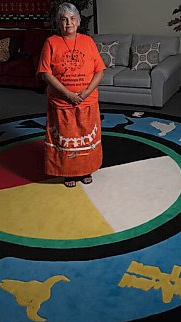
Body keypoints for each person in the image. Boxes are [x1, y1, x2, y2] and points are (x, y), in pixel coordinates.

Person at [37, 2, 105, 188]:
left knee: (85, 136)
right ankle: (67, 172)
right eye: (64, 19)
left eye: (72, 19)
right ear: (58, 23)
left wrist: (84, 93)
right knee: (66, 138)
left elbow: (99, 71)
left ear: (79, 21)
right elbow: (45, 73)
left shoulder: (88, 41)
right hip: (61, 102)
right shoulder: (51, 42)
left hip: (87, 100)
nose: (68, 23)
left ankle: (86, 169)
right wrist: (68, 94)